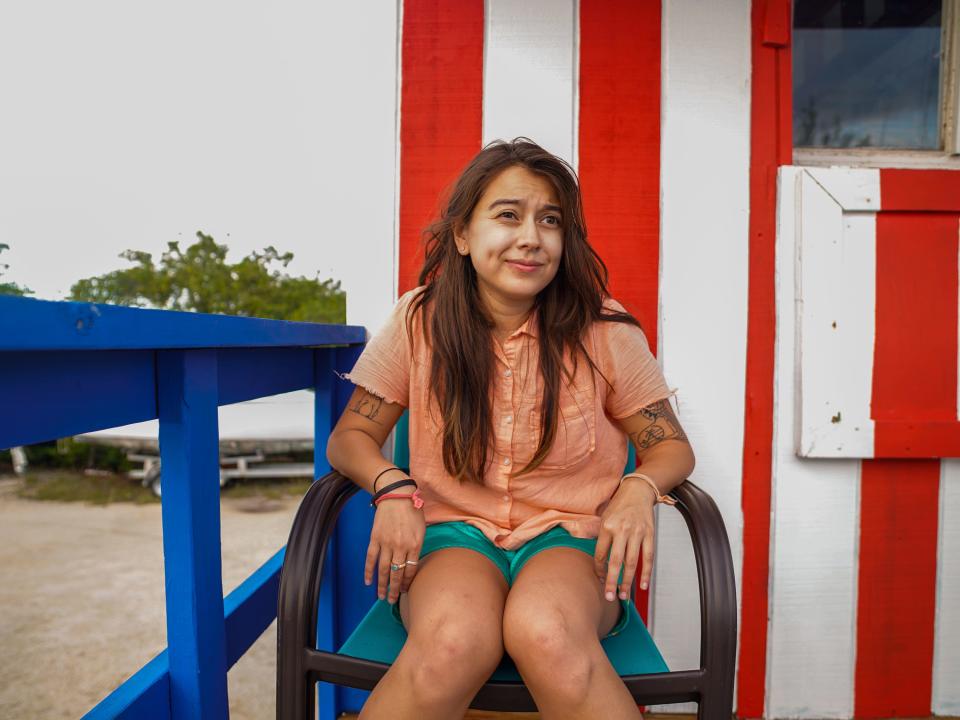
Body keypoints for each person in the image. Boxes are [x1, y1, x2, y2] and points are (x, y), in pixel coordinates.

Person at [326, 137, 695, 719]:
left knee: (544, 630)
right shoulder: (418, 320)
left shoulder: (606, 330)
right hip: (453, 537)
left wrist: (637, 489)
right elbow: (350, 438)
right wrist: (390, 486)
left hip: (569, 540)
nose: (531, 237)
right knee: (453, 640)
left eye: (550, 221)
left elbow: (670, 446)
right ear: (464, 236)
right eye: (508, 215)